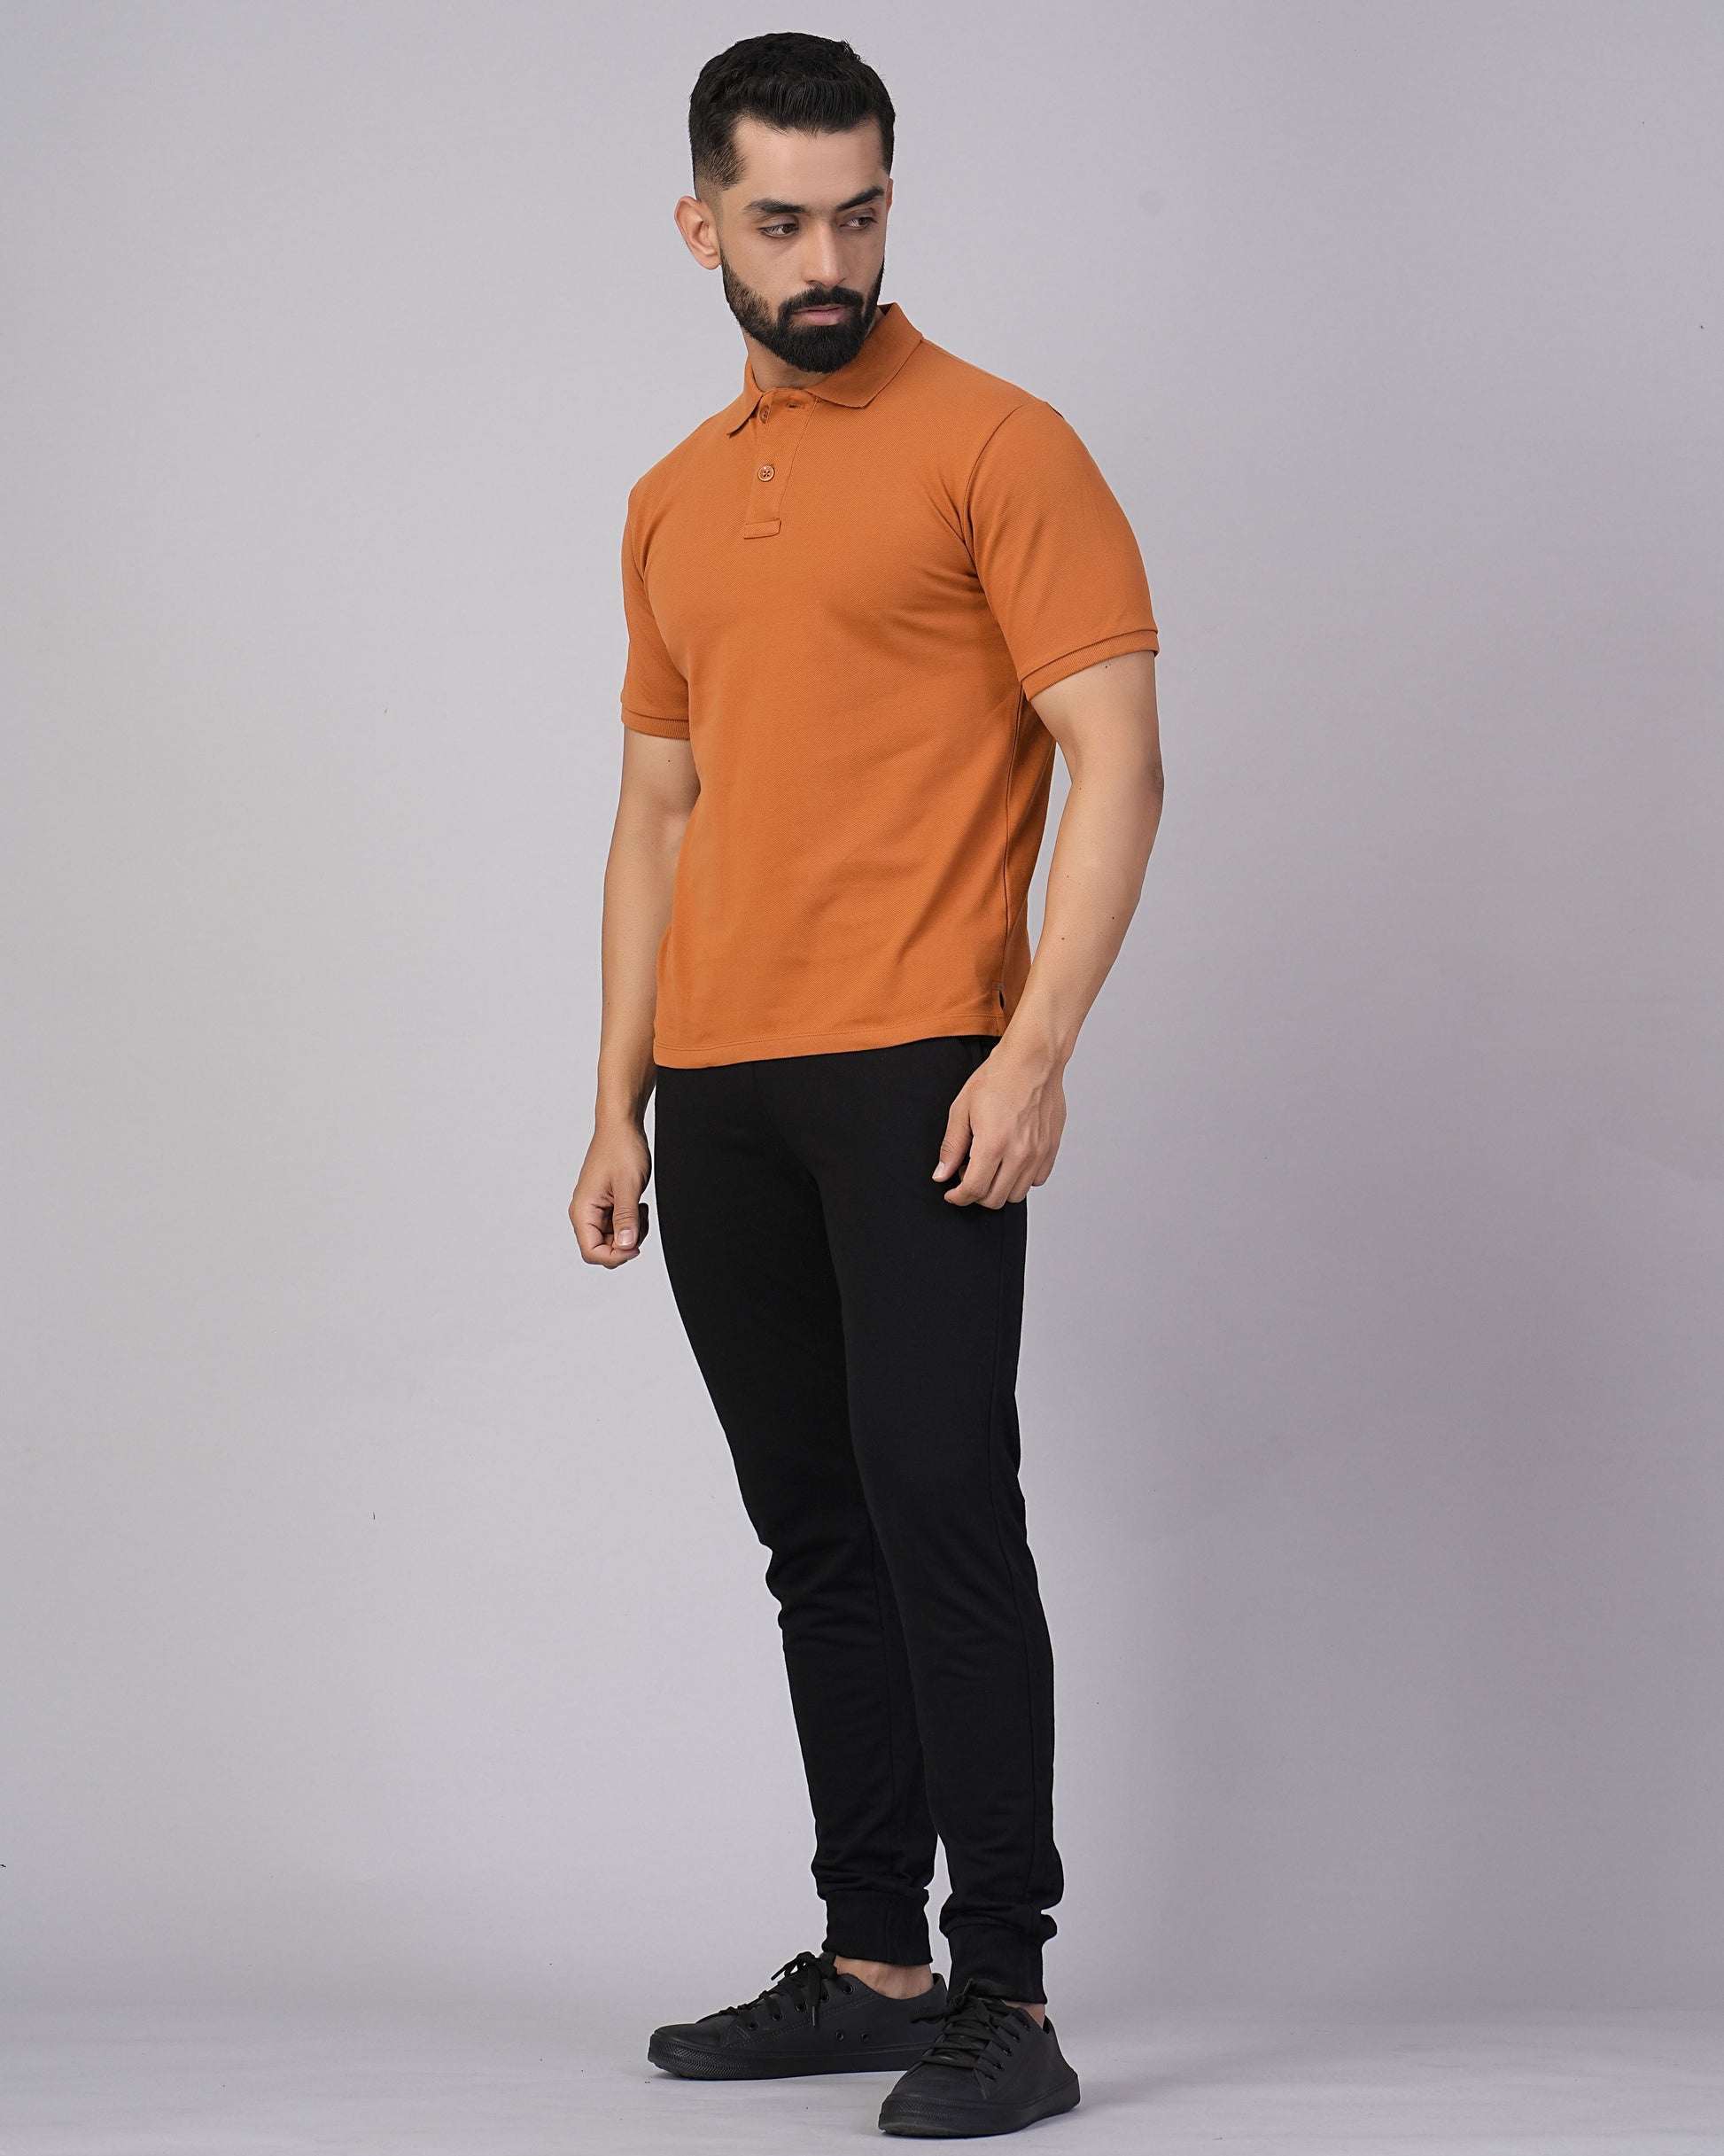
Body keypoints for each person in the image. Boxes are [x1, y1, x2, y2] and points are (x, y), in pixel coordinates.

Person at [569, 30, 1163, 2141]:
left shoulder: (1001, 442)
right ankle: (873, 1956)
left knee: (939, 1511)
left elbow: (1119, 759)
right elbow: (657, 809)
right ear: (701, 225)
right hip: (718, 1082)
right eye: (782, 221)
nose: (827, 261)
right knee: (814, 1528)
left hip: (921, 1060)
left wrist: (1036, 1043)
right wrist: (617, 1097)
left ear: (891, 202)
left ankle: (1006, 1988)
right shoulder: (667, 496)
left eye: (860, 213)